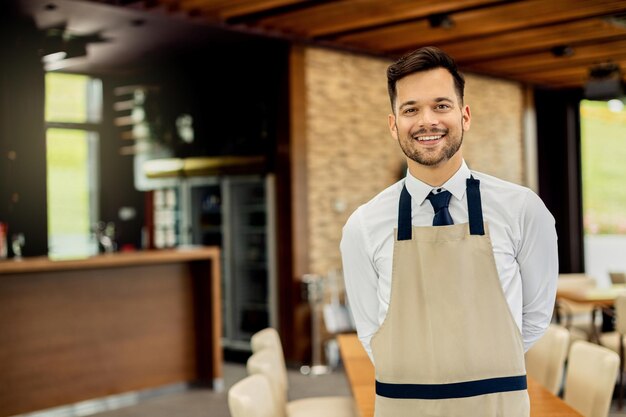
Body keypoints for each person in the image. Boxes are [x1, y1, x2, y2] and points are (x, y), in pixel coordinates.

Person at [340, 46, 558, 417]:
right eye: (411, 109)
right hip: (405, 405)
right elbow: (370, 331)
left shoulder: (523, 210)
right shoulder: (363, 225)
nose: (427, 121)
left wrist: (483, 372)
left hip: (497, 404)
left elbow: (535, 318)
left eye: (441, 105)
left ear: (465, 115)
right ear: (394, 124)